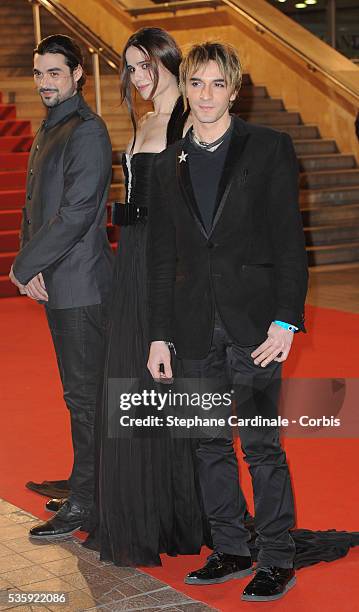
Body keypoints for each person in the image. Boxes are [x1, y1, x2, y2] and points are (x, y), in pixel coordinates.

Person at [147, 41, 308, 601]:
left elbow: (290, 240)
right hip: (192, 328)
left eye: (218, 84)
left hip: (256, 325)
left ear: (235, 91)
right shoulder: (167, 163)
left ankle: (278, 556)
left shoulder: (268, 148)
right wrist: (159, 334)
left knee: (262, 443)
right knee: (207, 443)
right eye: (197, 84)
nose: (207, 95)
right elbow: (162, 258)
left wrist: (286, 320)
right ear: (185, 88)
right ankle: (232, 546)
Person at [82, 27, 212, 567]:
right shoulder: (144, 120)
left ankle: (170, 513)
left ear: (168, 62)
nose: (136, 78)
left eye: (145, 66)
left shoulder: (187, 117)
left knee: (159, 384)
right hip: (131, 258)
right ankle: (148, 512)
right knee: (132, 383)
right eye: (130, 68)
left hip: (168, 266)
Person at [9, 34, 113, 538]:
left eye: (55, 72)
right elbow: (38, 207)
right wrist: (37, 268)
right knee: (78, 395)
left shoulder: (87, 132)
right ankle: (83, 479)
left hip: (84, 286)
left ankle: (89, 502)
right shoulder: (54, 127)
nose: (45, 81)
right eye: (39, 72)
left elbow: (75, 215)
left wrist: (24, 265)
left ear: (78, 76)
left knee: (87, 397)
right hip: (60, 281)